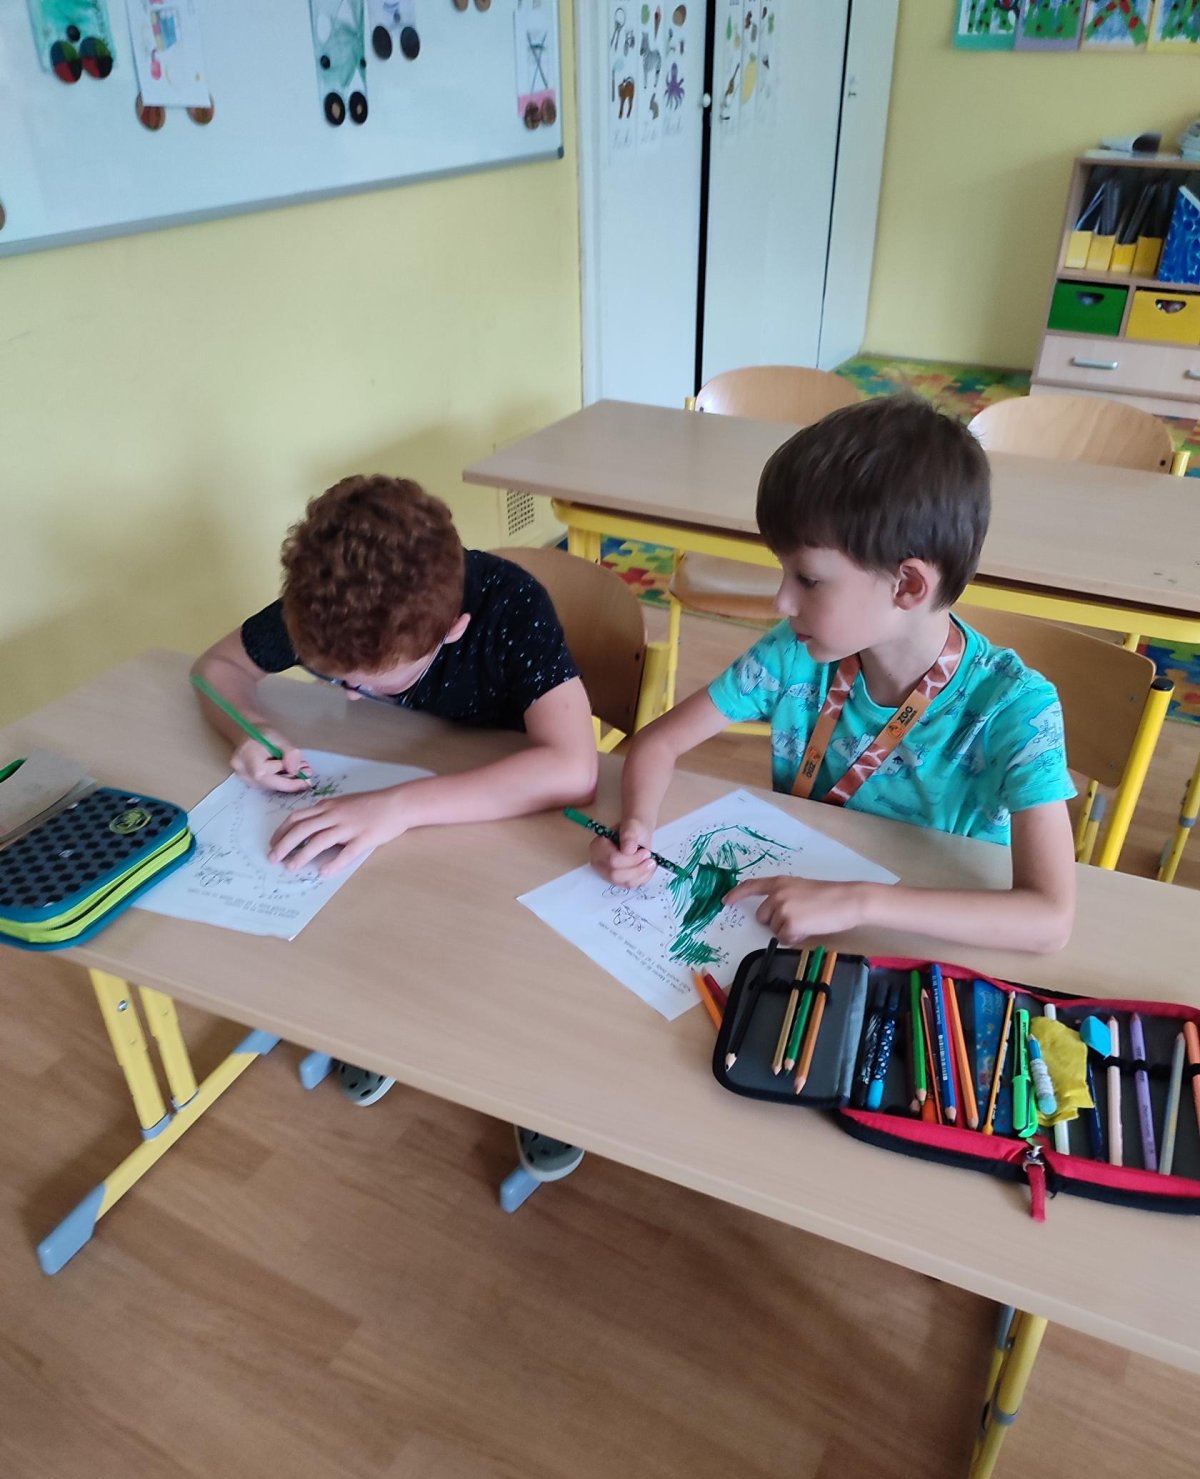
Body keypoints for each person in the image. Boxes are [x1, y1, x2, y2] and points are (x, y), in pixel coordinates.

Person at [590, 394, 1077, 955]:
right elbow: (658, 743)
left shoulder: (1016, 709)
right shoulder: (795, 654)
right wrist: (635, 829)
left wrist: (860, 901)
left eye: (808, 579)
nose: (781, 601)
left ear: (907, 586)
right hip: (787, 933)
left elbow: (1050, 921)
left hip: (922, 954)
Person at [193, 473, 598, 1105]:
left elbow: (573, 770)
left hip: (506, 812)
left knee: (503, 967)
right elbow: (215, 669)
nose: (351, 695)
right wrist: (251, 728)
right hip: (397, 789)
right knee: (374, 920)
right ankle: (380, 1026)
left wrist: (398, 808)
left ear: (453, 629)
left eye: (373, 681)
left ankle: (531, 1098)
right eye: (332, 677)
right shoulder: (330, 603)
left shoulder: (511, 609)